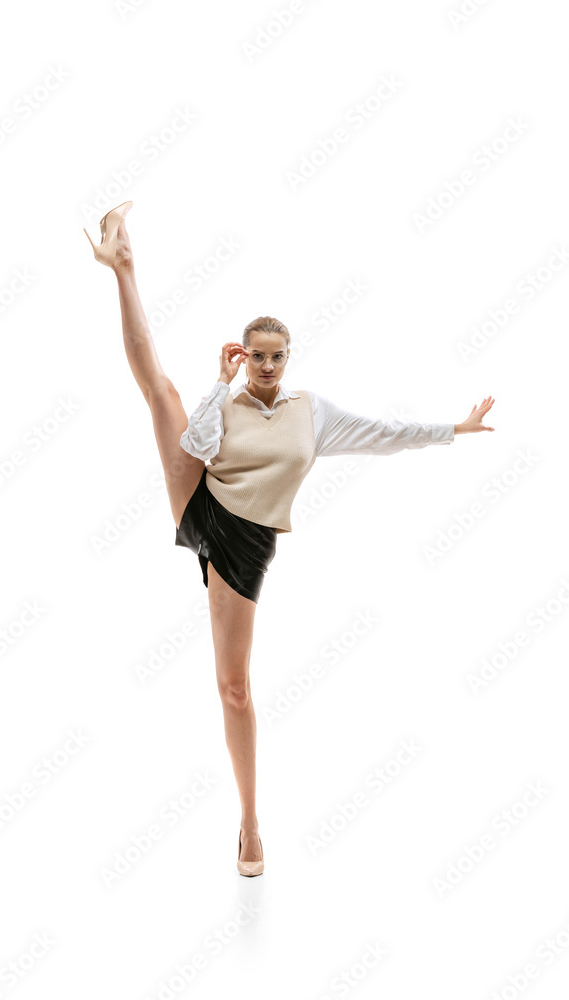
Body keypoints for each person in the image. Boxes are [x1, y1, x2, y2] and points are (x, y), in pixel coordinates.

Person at [84, 200, 496, 877]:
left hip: (247, 538)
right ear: (245, 359)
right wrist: (217, 385)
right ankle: (123, 265)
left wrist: (453, 428)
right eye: (257, 357)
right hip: (204, 496)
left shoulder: (312, 413)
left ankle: (248, 822)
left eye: (277, 356)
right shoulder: (231, 396)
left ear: (288, 357)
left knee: (234, 687)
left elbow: (383, 434)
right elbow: (195, 442)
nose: (268, 365)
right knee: (160, 390)